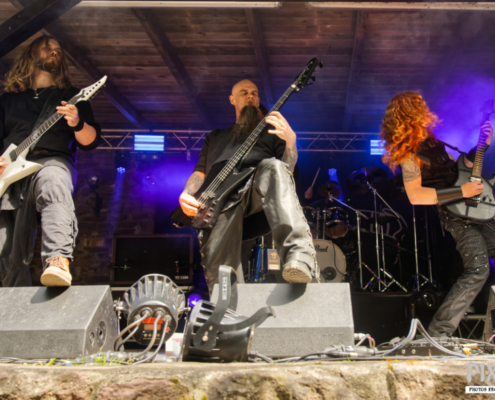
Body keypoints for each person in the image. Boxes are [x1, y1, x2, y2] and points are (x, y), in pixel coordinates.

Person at [178, 79, 318, 295]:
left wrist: (291, 142)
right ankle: (229, 310)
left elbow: (286, 173)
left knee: (273, 167)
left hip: (256, 191)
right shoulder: (216, 137)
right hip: (220, 202)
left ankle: (299, 256)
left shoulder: (271, 134)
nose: (250, 96)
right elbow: (200, 172)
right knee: (223, 281)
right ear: (232, 99)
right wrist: (187, 193)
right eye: (244, 93)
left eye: (254, 93)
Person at [381, 91, 494, 337]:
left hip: (478, 207)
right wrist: (462, 191)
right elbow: (416, 196)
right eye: (418, 107)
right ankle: (438, 334)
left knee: (480, 269)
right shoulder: (407, 152)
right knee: (478, 270)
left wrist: (481, 146)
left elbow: (460, 169)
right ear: (408, 114)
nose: (425, 110)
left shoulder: (433, 142)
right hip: (455, 215)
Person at [0, 35, 101, 287]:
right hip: (9, 173)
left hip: (51, 160)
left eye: (58, 49)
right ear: (31, 54)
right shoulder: (7, 100)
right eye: (47, 47)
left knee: (53, 184)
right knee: (6, 252)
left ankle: (58, 259)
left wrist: (76, 122)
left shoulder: (71, 96)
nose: (54, 51)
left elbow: (90, 141)